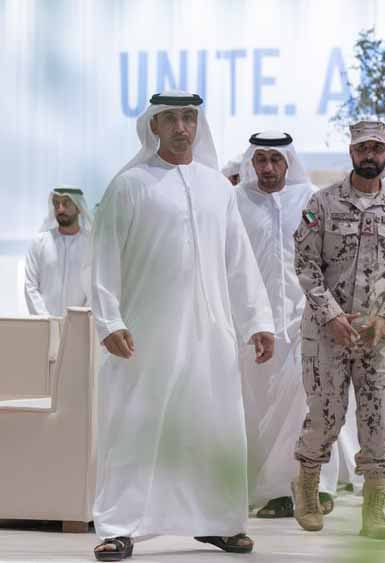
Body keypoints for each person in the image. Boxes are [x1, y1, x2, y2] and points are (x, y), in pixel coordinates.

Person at [91, 91, 276, 561]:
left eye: (189, 118)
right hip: (145, 334)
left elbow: (239, 261)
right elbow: (104, 258)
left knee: (215, 426)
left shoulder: (218, 188)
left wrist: (257, 319)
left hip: (212, 334)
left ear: (198, 124)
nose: (181, 127)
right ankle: (119, 526)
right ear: (153, 125)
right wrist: (109, 320)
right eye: (171, 118)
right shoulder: (129, 185)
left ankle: (220, 523)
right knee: (137, 424)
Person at [291, 120, 385, 540]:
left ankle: (374, 508)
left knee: (378, 422)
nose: (370, 155)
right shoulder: (323, 203)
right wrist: (330, 315)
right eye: (363, 148)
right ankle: (307, 486)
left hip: (377, 336)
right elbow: (306, 264)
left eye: (377, 149)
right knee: (325, 417)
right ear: (351, 152)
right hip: (326, 333)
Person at [232, 131, 338, 519]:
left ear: (288, 162)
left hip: (304, 319)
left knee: (309, 404)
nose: (268, 167)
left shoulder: (311, 198)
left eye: (276, 159)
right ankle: (274, 490)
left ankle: (316, 485)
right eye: (260, 159)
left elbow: (330, 258)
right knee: (258, 408)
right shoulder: (236, 201)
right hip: (251, 323)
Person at [24, 186, 92, 316]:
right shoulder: (40, 242)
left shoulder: (92, 244)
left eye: (66, 203)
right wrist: (46, 320)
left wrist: (79, 319)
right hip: (45, 323)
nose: (60, 209)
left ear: (78, 207)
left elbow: (95, 288)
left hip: (80, 323)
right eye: (56, 204)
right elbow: (30, 286)